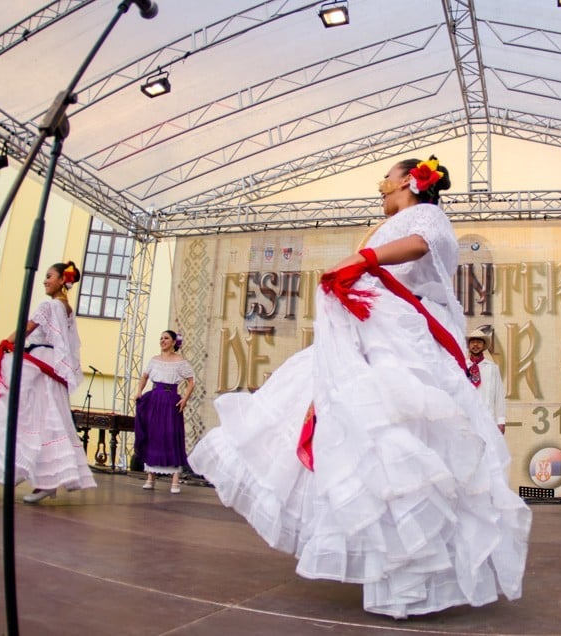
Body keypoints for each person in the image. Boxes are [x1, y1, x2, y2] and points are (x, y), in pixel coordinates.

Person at [189, 155, 530, 619]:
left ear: (411, 181)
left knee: (402, 440)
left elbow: (420, 245)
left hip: (404, 340)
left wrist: (363, 259)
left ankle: (414, 570)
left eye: (386, 180)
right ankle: (392, 564)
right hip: (375, 335)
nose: (380, 188)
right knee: (370, 445)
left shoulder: (426, 215)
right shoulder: (389, 221)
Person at [0, 261, 96, 503]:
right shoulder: (67, 308)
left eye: (49, 276)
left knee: (26, 413)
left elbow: (26, 329)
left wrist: (5, 344)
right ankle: (42, 478)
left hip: (41, 363)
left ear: (63, 280)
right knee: (46, 419)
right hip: (52, 365)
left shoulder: (49, 305)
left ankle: (31, 472)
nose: (45, 280)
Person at [134, 330, 195, 494]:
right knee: (154, 435)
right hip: (155, 398)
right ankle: (150, 477)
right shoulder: (154, 360)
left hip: (170, 400)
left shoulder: (180, 361)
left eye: (166, 338)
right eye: (161, 338)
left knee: (171, 435)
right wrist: (139, 390)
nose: (162, 341)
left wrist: (185, 399)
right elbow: (145, 376)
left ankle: (175, 480)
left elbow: (191, 381)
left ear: (174, 342)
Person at [467, 329, 507, 434]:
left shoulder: (492, 368)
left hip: (488, 418)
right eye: (472, 342)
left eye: (479, 342)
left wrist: (501, 421)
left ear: (484, 345)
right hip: (468, 417)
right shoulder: (462, 367)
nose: (475, 345)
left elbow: (499, 396)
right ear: (469, 345)